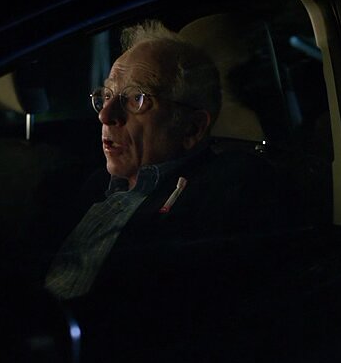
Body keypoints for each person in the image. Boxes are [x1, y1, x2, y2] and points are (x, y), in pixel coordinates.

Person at [43, 19, 296, 301]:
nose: (105, 115)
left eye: (137, 99)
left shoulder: (227, 193)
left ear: (192, 128)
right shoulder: (83, 184)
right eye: (108, 95)